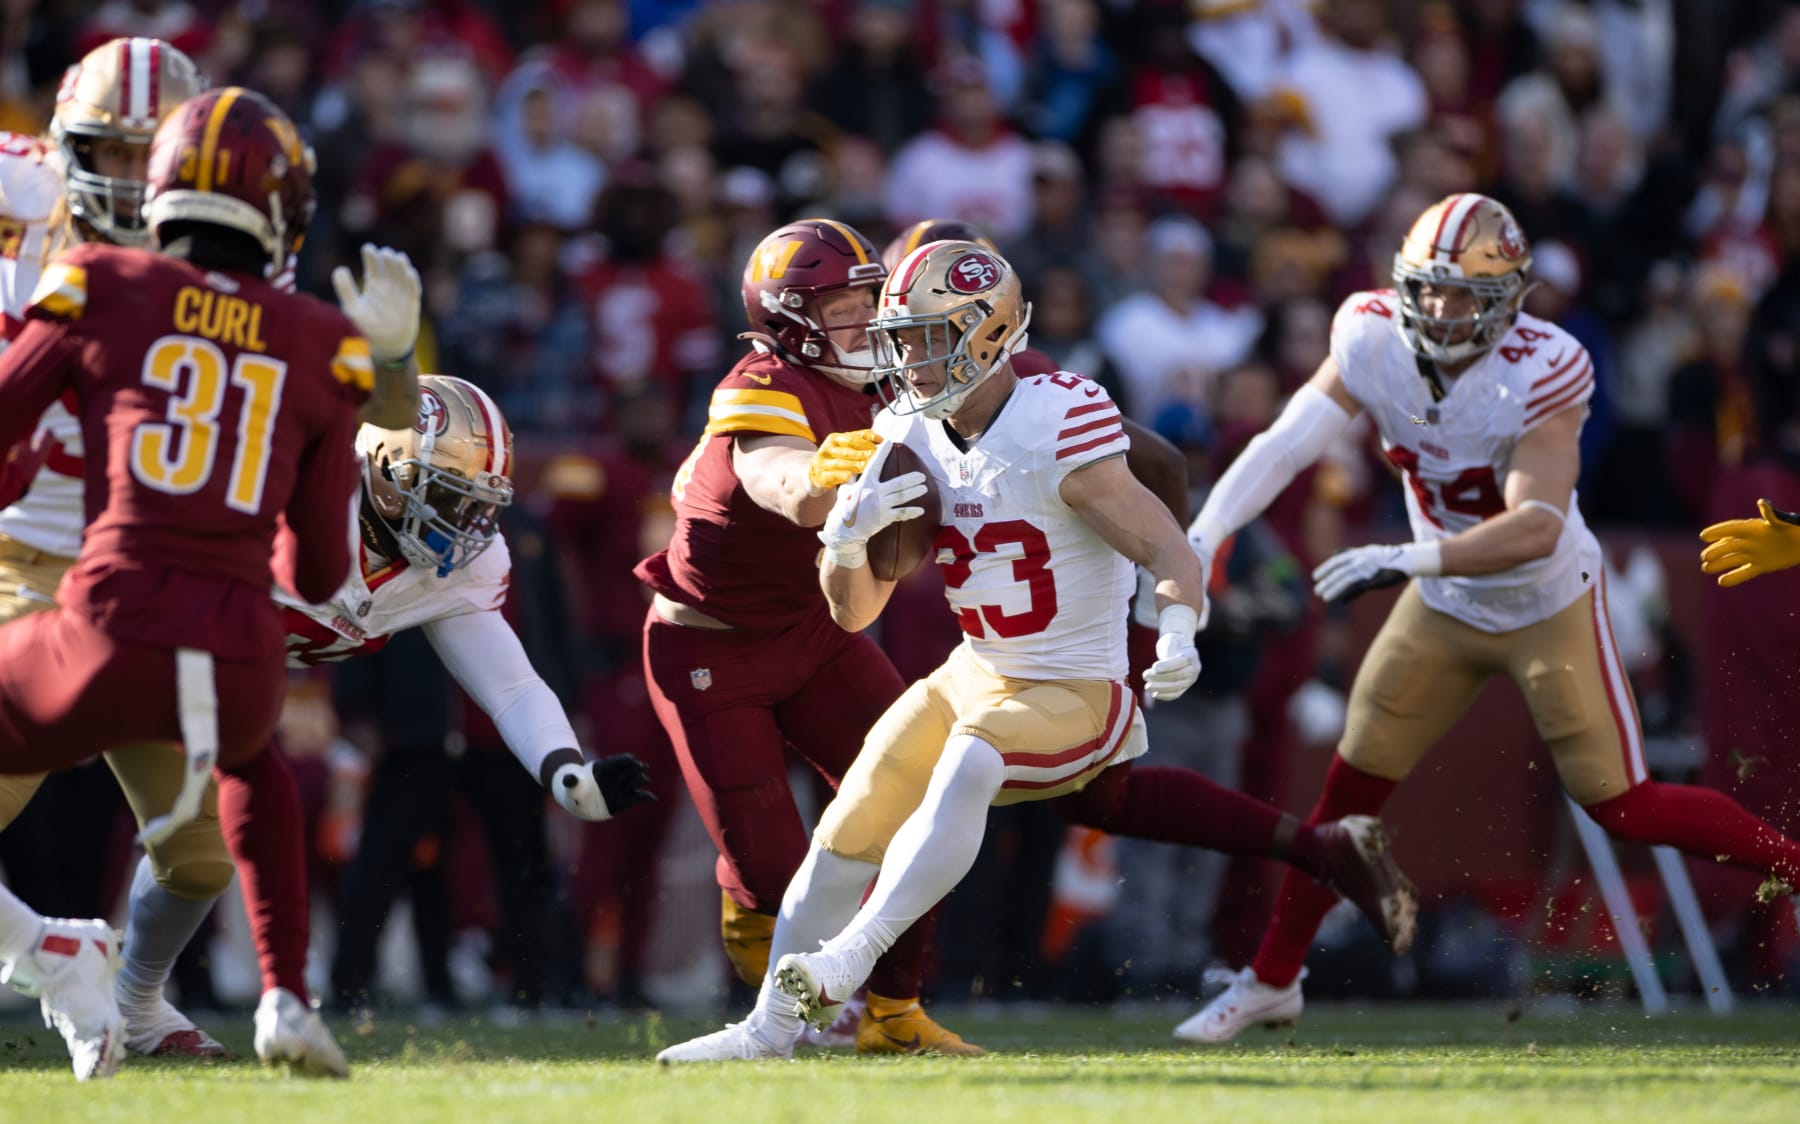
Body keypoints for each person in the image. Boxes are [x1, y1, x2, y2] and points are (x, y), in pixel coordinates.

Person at [657, 240, 1416, 1063]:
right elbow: (853, 614)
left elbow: (1168, 544)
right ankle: (767, 1031)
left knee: (970, 761)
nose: (902, 358)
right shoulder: (906, 422)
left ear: (984, 336)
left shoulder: (1058, 414)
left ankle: (855, 953)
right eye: (899, 336)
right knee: (852, 818)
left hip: (1074, 683)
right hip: (977, 667)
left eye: (922, 338)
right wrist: (844, 543)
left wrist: (1173, 626)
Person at [1179, 192, 1800, 1043]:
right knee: (1346, 797)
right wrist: (1206, 530)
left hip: (1546, 601)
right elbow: (1289, 440)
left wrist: (1409, 557)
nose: (1440, 311)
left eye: (1464, 295)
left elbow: (1536, 524)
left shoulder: (1546, 366)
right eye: (1427, 290)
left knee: (1626, 804)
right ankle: (1272, 981)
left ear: (1510, 298)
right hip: (1442, 606)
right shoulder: (1367, 332)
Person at [0, 43, 424, 1065]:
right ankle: (59, 958)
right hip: (23, 561)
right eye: (111, 148)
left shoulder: (212, 256)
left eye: (154, 151)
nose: (130, 171)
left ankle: (133, 1001)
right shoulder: (24, 199)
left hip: (143, 578)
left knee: (195, 854)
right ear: (64, 145)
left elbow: (388, 412)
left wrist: (397, 356)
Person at [636, 217, 979, 1055]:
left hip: (815, 631)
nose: (867, 320)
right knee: (777, 870)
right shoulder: (758, 383)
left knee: (918, 801)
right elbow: (776, 478)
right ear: (791, 320)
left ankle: (894, 1013)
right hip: (710, 649)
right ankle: (779, 987)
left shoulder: (890, 381)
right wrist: (825, 479)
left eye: (870, 299)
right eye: (845, 307)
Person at [279, 375, 655, 1011]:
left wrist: (569, 776)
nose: (465, 525)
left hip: (243, 682)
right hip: (180, 647)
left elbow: (510, 683)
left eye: (476, 502)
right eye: (449, 497)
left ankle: (180, 1003)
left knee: (201, 848)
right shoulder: (301, 494)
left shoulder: (460, 562)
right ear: (387, 471)